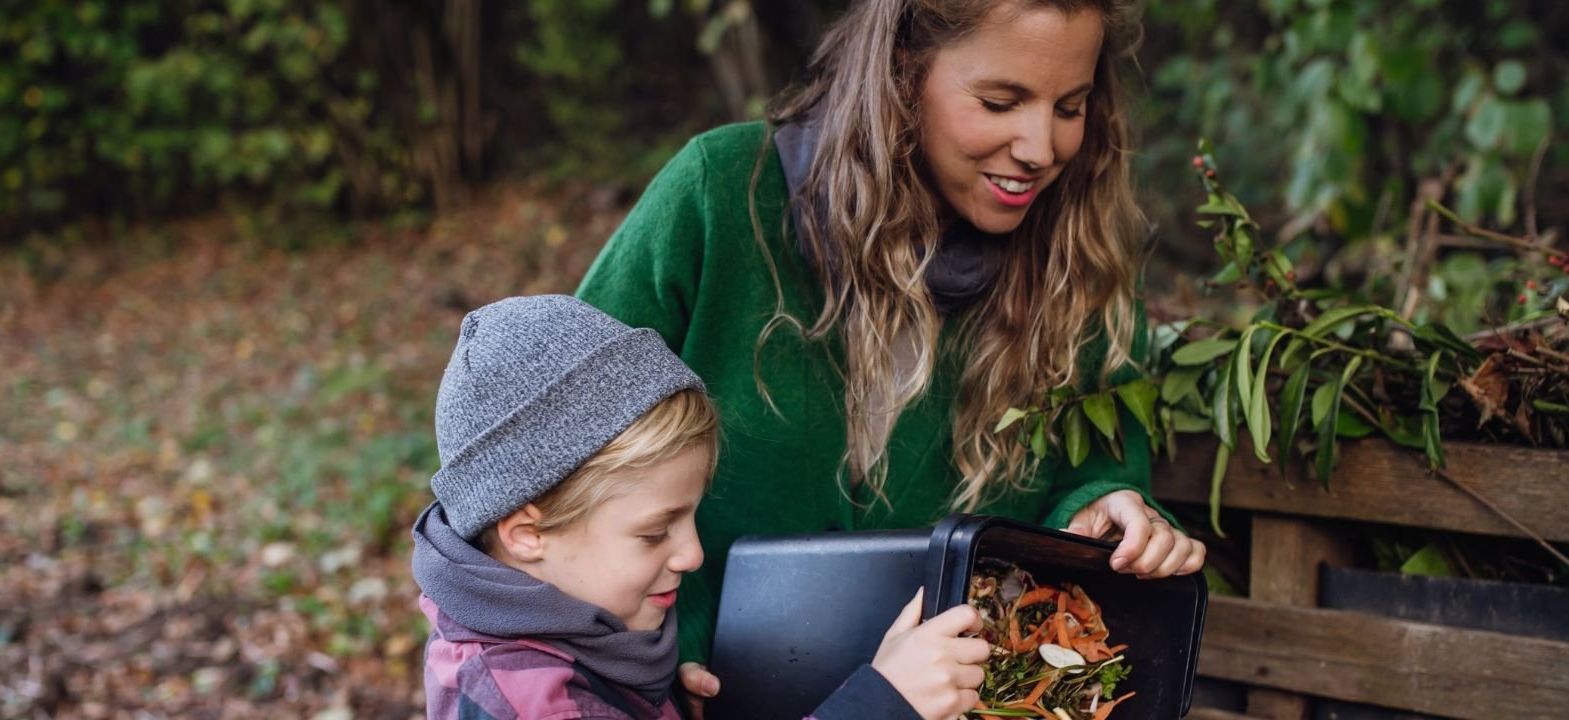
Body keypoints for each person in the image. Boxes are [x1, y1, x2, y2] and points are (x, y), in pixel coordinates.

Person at [577, 0, 1207, 716]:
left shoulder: (1078, 260)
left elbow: (1098, 471)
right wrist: (659, 639)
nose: (1040, 147)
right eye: (1001, 101)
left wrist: (1107, 509)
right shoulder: (721, 196)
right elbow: (565, 446)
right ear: (901, 75)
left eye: (1071, 106)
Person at [411, 295, 987, 720]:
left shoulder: (563, 627)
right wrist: (883, 705)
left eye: (689, 517)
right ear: (527, 533)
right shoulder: (534, 704)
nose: (691, 553)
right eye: (653, 533)